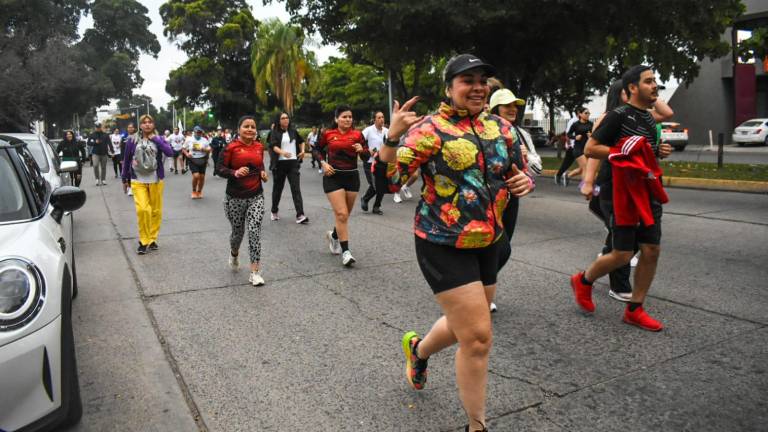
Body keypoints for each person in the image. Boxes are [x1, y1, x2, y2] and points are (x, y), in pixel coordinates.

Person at [379, 54, 533, 432]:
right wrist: (393, 136)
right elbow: (391, 182)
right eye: (468, 80)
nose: (478, 86)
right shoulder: (429, 130)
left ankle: (418, 351)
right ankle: (475, 426)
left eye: (483, 80)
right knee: (478, 337)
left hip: (489, 241)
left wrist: (523, 182)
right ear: (449, 88)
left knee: (466, 323)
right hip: (441, 241)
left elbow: (519, 171)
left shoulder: (502, 129)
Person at [573, 65, 673, 331]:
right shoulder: (617, 116)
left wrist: (658, 151)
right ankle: (583, 280)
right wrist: (618, 155)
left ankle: (634, 309)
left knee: (651, 250)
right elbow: (590, 148)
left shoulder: (650, 119)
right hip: (622, 192)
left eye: (656, 81)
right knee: (622, 253)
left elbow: (643, 151)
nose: (655, 86)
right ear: (632, 88)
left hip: (649, 189)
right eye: (649, 81)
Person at [487, 87, 538, 313]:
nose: (512, 109)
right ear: (495, 108)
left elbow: (533, 167)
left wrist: (527, 179)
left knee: (503, 249)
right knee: (502, 248)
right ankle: (476, 289)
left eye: (514, 105)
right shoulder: (484, 130)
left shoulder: (520, 134)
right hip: (488, 198)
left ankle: (482, 285)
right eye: (507, 105)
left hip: (511, 198)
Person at [216, 116, 270, 286]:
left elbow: (259, 165)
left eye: (253, 127)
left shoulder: (259, 147)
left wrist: (262, 173)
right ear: (239, 129)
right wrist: (235, 173)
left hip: (256, 196)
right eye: (246, 126)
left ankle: (255, 272)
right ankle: (234, 253)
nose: (250, 129)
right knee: (237, 234)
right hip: (234, 198)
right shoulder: (230, 147)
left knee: (254, 231)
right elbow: (219, 169)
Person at [314, 105, 370, 266]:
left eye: (350, 117)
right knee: (342, 214)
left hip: (352, 176)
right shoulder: (328, 134)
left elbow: (367, 157)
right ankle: (346, 252)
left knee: (344, 216)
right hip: (333, 176)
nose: (347, 119)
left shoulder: (358, 135)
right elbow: (317, 149)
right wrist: (323, 163)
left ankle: (334, 236)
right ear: (336, 119)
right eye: (344, 117)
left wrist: (362, 151)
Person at [121, 115, 175, 255]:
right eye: (144, 123)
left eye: (149, 122)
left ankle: (152, 239)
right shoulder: (132, 140)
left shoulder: (159, 139)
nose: (147, 125)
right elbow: (126, 160)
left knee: (155, 211)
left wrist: (156, 139)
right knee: (143, 210)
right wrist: (124, 179)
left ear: (153, 124)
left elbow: (170, 153)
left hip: (156, 180)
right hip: (137, 180)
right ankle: (143, 240)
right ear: (140, 125)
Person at [268, 112, 308, 224]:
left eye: (287, 118)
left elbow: (301, 141)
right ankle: (274, 211)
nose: (286, 120)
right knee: (278, 189)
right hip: (280, 164)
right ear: (279, 120)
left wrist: (303, 151)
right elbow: (273, 146)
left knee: (296, 189)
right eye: (283, 118)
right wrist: (282, 152)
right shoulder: (274, 132)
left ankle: (300, 215)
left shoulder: (293, 131)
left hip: (293, 163)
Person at [360, 111, 389, 214]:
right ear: (374, 119)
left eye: (383, 117)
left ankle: (376, 207)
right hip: (370, 162)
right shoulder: (368, 130)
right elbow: (359, 142)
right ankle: (365, 199)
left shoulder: (387, 131)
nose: (382, 119)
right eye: (379, 117)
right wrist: (368, 150)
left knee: (382, 185)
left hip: (383, 162)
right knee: (375, 185)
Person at [563, 107, 592, 185]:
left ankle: (568, 175)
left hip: (587, 149)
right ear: (580, 114)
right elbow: (568, 134)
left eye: (589, 113)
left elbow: (595, 135)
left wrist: (591, 135)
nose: (588, 115)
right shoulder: (576, 124)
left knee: (581, 169)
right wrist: (575, 137)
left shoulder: (591, 124)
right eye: (586, 113)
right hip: (578, 148)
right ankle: (585, 185)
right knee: (586, 167)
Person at [182, 126, 212, 199]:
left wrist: (204, 149)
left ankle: (199, 191)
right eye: (197, 132)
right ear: (194, 132)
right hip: (193, 159)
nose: (199, 134)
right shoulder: (189, 139)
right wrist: (187, 154)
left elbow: (210, 149)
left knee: (202, 177)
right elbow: (183, 149)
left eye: (200, 132)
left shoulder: (204, 140)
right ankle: (194, 191)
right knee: (196, 176)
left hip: (202, 159)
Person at [555, 115, 578, 185]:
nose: (588, 114)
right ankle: (559, 175)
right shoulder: (573, 121)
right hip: (572, 146)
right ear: (579, 113)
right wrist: (569, 144)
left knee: (585, 165)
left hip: (581, 146)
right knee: (567, 163)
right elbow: (567, 133)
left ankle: (586, 182)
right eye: (585, 113)